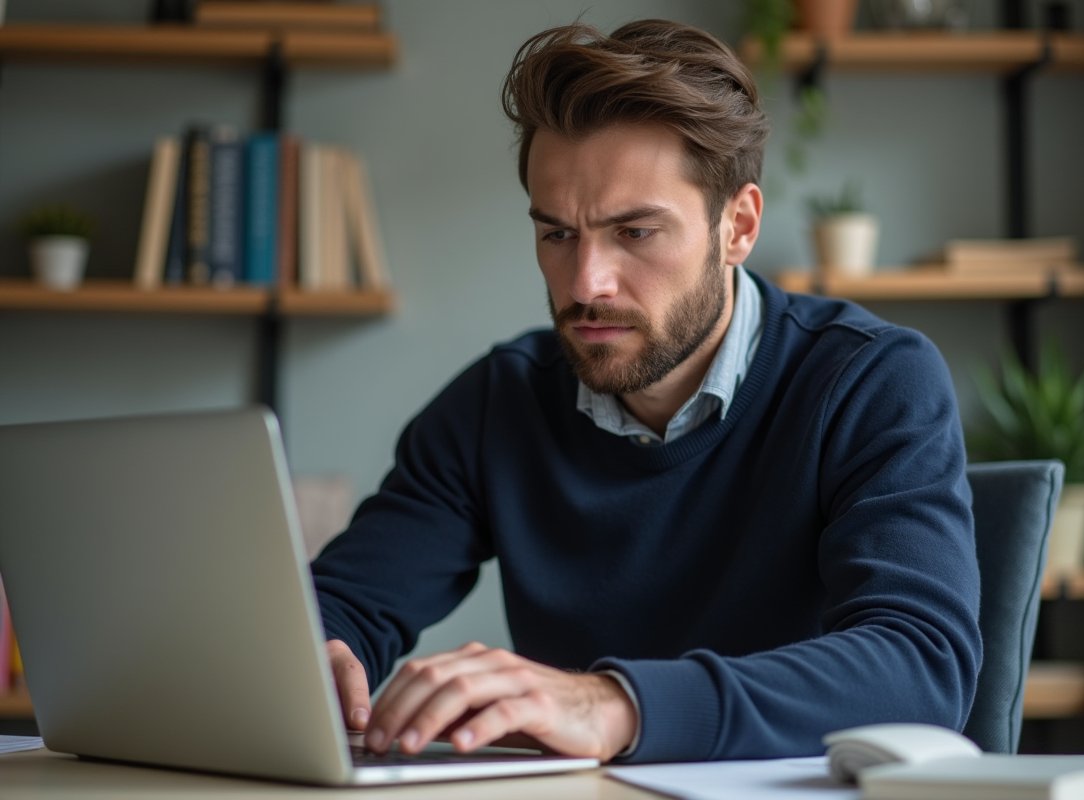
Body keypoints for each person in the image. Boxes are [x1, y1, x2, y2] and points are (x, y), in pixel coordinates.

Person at [311, 19, 982, 765]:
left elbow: (922, 668)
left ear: (739, 226)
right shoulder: (495, 405)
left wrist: (616, 705)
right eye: (558, 235)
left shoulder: (871, 382)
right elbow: (343, 606)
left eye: (635, 233)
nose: (586, 283)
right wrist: (313, 653)